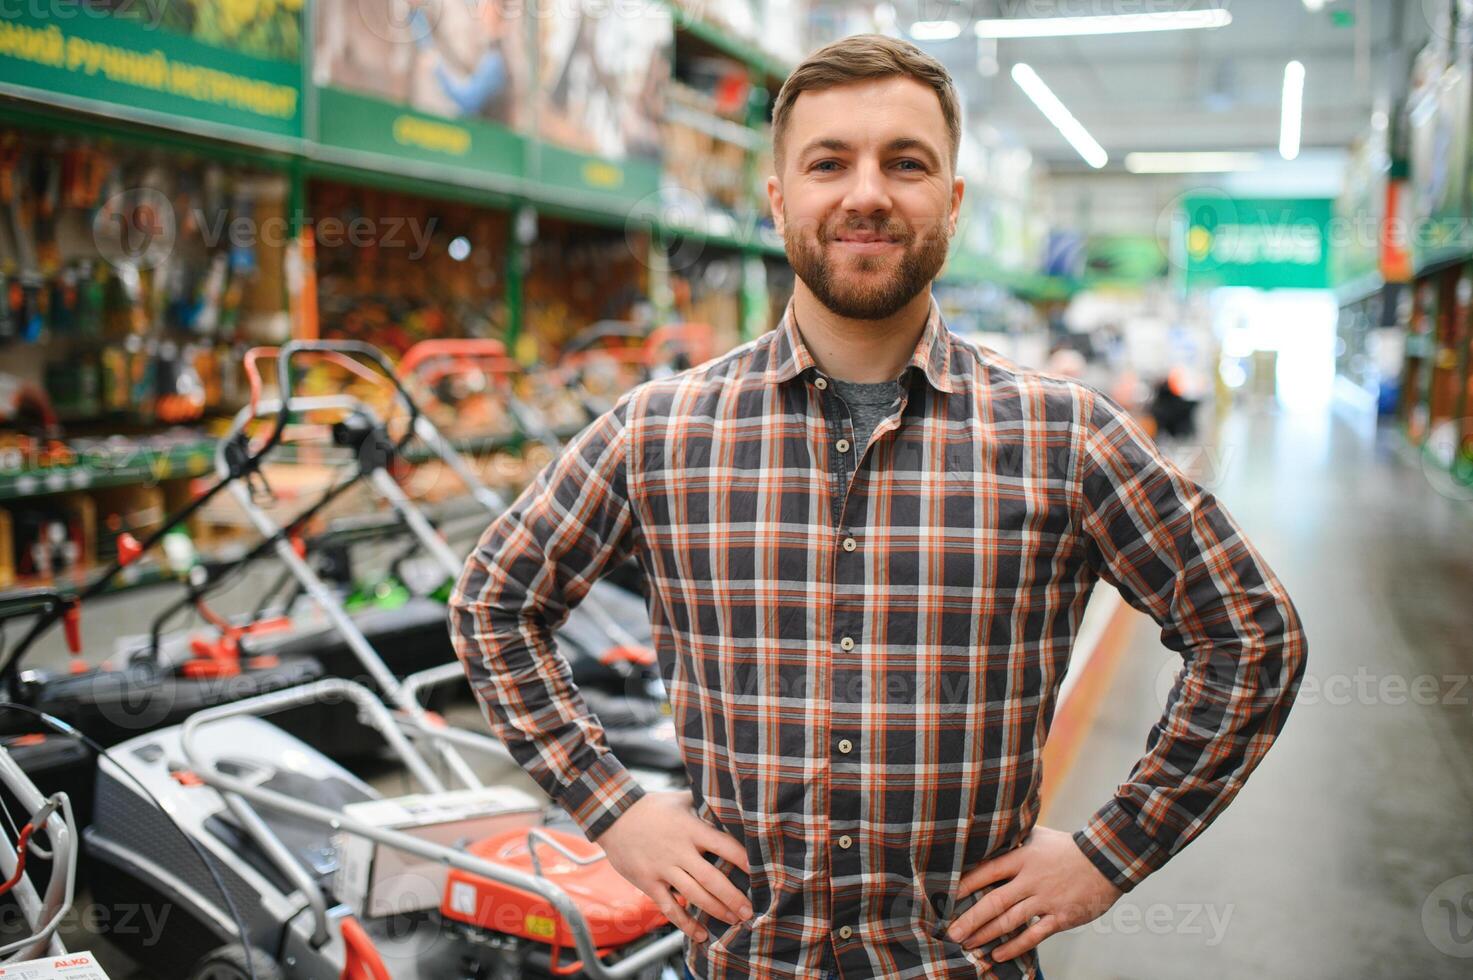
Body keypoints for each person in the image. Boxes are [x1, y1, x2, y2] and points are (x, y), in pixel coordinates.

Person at [449, 34, 1307, 980]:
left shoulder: (1067, 438)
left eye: (906, 163)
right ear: (778, 200)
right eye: (828, 163)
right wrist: (610, 806)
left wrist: (1108, 855)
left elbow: (1250, 636)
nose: (866, 193)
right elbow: (494, 602)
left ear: (951, 199)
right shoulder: (657, 430)